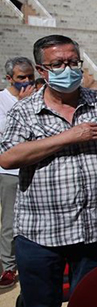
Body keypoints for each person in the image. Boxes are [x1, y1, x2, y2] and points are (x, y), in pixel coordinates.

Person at [0, 35, 97, 306]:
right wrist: (67, 137)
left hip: (95, 230)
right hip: (40, 234)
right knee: (40, 302)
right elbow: (9, 158)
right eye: (58, 64)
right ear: (42, 71)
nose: (68, 69)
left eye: (73, 62)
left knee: (92, 300)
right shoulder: (24, 112)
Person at [0, 57, 36, 289]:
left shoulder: (39, 97)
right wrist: (22, 105)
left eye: (30, 77)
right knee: (10, 222)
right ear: (9, 78)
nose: (26, 81)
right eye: (21, 77)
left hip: (35, 167)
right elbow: (6, 136)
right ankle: (7, 267)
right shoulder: (2, 100)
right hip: (9, 171)